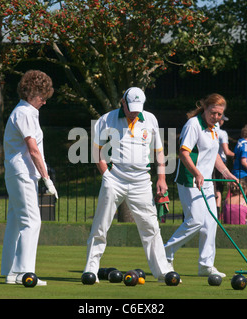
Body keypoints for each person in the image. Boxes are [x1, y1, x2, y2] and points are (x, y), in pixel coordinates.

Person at [83, 87, 174, 282]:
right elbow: (96, 150)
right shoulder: (107, 119)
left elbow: (159, 151)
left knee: (150, 226)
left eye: (137, 108)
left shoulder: (150, 119)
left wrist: (161, 178)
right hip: (114, 178)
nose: (134, 112)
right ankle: (90, 270)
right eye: (130, 107)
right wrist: (106, 175)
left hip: (141, 180)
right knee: (101, 225)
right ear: (122, 102)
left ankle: (162, 272)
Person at [164, 93, 238, 278]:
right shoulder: (193, 125)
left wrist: (227, 174)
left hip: (206, 182)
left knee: (210, 222)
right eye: (213, 113)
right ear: (205, 108)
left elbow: (213, 156)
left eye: (220, 114)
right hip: (190, 180)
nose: (216, 117)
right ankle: (165, 253)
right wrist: (197, 173)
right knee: (196, 220)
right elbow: (183, 153)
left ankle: (206, 265)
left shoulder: (215, 129)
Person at [1, 70, 58, 286]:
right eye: (42, 96)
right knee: (32, 222)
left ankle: (9, 270)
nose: (44, 101)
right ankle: (22, 273)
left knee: (16, 221)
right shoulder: (24, 112)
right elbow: (33, 149)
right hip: (22, 173)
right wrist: (47, 178)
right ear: (31, 93)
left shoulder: (27, 111)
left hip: (21, 172)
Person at [213, 115, 234, 217]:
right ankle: (216, 212)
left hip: (209, 161)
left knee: (210, 186)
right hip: (220, 161)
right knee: (218, 188)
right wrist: (236, 155)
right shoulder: (222, 133)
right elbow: (226, 151)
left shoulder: (209, 131)